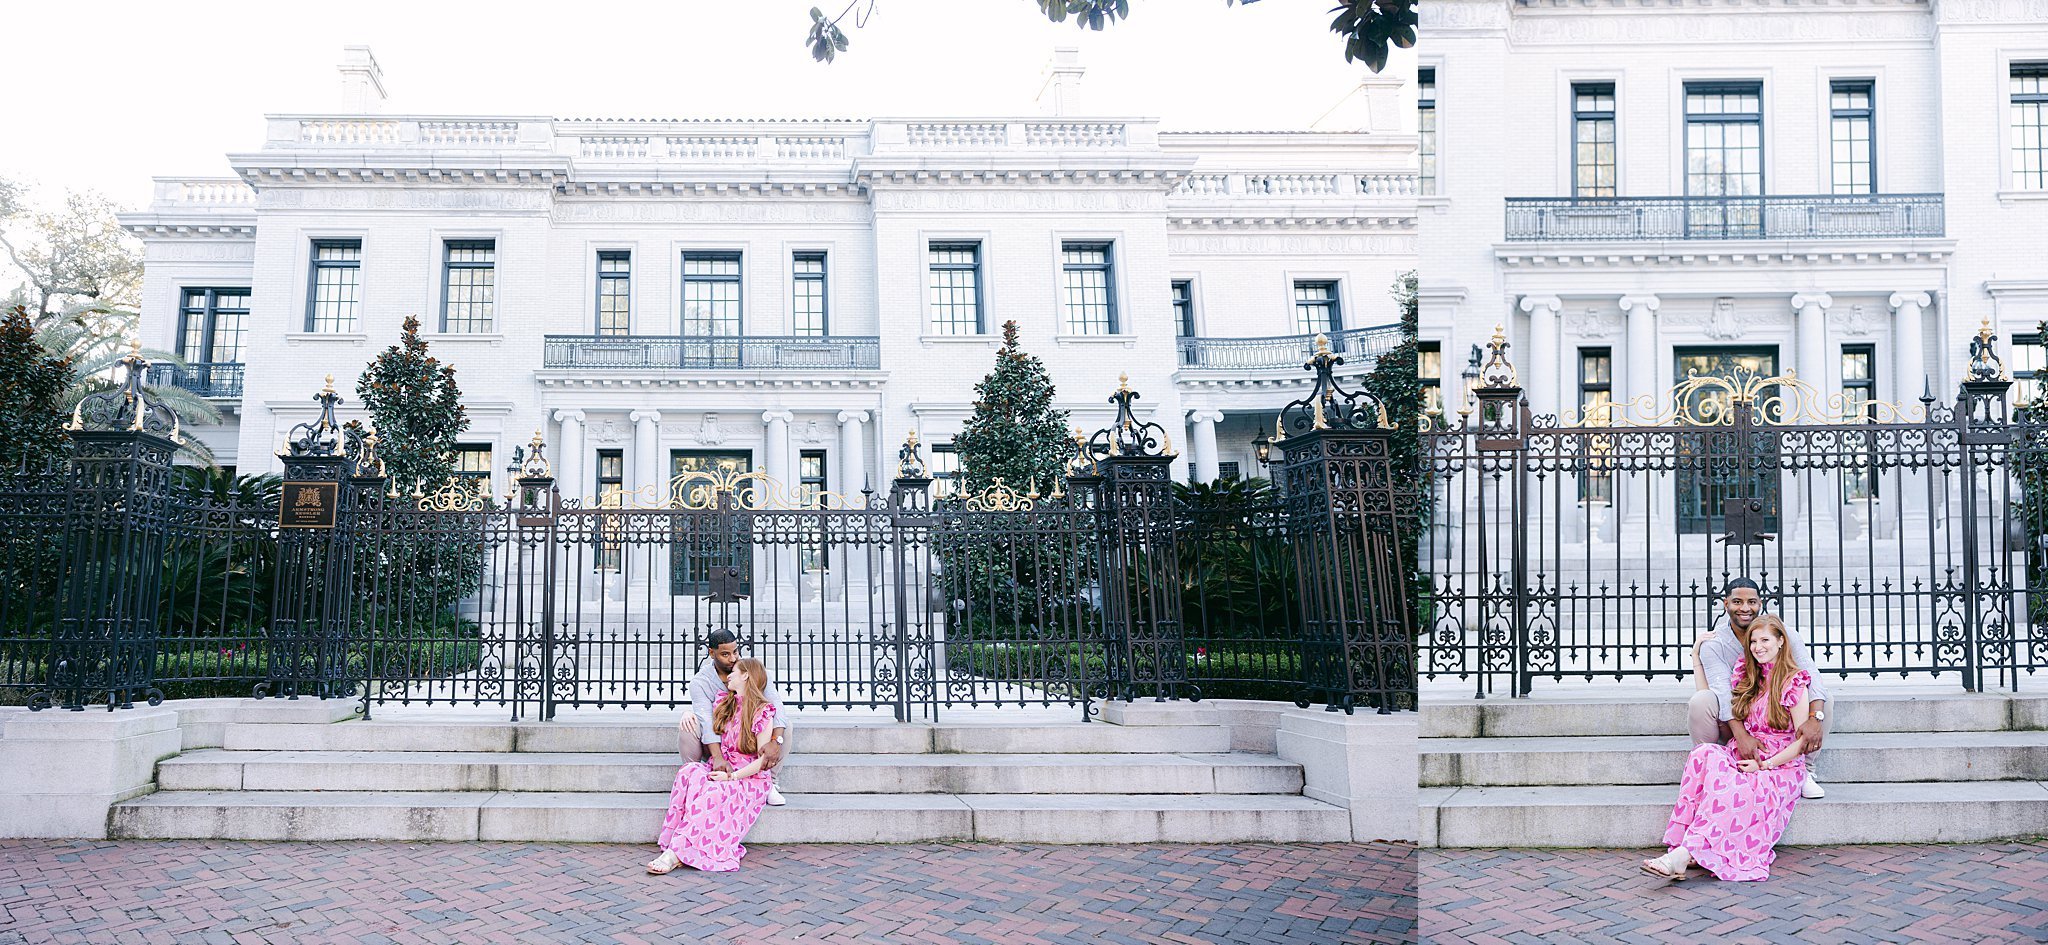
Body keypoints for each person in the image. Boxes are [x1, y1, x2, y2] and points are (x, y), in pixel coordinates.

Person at [1644, 615, 1812, 881]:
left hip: (1780, 764)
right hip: (1743, 752)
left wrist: (1765, 765)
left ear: (1781, 642)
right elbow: (1707, 696)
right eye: (1753, 641)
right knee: (1703, 754)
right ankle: (1688, 849)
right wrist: (1696, 657)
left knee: (1736, 789)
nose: (1758, 647)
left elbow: (1802, 742)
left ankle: (1682, 855)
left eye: (1765, 640)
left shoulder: (1793, 683)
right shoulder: (1748, 675)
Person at [1687, 578, 1829, 800]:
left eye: (1752, 601)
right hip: (1739, 720)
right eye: (1737, 602)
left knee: (1822, 697)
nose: (1745, 608)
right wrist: (1741, 736)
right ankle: (1709, 768)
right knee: (1701, 700)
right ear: (1726, 604)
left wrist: (1815, 717)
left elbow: (1812, 673)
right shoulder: (1714, 643)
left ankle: (1805, 769)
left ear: (1760, 603)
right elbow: (1723, 694)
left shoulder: (1786, 634)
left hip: (1780, 718)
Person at [647, 656, 780, 873]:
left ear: (745, 675)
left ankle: (674, 853)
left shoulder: (762, 713)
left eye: (734, 672)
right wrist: (687, 712)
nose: (729, 676)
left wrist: (732, 777)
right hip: (723, 766)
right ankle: (683, 843)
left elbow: (762, 763)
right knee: (689, 772)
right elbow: (704, 718)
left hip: (748, 777)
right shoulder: (725, 702)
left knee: (716, 792)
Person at [679, 630, 789, 807]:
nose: (732, 658)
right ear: (711, 653)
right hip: (721, 737)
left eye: (735, 652)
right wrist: (718, 757)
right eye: (725, 654)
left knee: (784, 725)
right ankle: (693, 780)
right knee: (688, 725)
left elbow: (777, 704)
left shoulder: (751, 671)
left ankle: (770, 781)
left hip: (749, 737)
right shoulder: (701, 682)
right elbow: (706, 722)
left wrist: (776, 740)